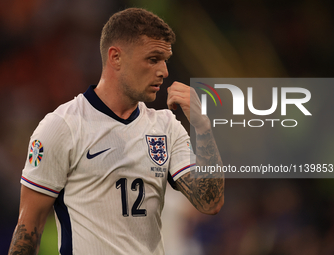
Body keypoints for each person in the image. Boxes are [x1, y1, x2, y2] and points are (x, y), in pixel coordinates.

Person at [8, 7, 224, 255]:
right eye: (153, 59)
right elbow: (28, 229)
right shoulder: (62, 126)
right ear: (116, 57)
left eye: (166, 61)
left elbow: (210, 202)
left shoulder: (167, 127)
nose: (164, 71)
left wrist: (203, 127)